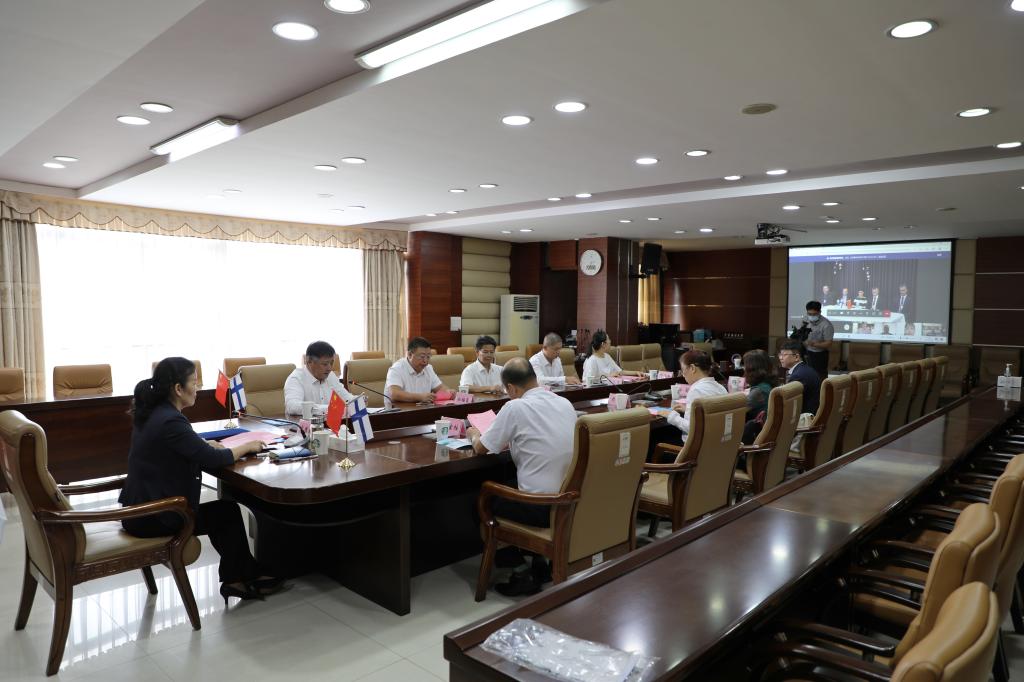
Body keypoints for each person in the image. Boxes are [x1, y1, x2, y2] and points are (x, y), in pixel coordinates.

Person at [119, 358, 283, 603]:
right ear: (178, 388)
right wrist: (248, 446)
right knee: (225, 514)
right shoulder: (171, 420)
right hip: (155, 516)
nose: (197, 388)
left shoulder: (155, 413)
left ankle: (240, 577)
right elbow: (214, 459)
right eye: (194, 382)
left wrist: (204, 445)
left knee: (224, 512)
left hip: (139, 511)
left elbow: (181, 447)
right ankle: (240, 578)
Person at [467, 357, 578, 596]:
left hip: (540, 507)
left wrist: (474, 433)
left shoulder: (515, 407)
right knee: (511, 484)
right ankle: (539, 563)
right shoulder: (564, 403)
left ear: (511, 388)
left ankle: (520, 571)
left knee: (480, 501)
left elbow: (481, 448)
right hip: (569, 501)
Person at [664, 350, 727, 442]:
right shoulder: (721, 388)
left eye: (683, 370)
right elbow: (712, 416)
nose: (683, 375)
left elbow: (692, 428)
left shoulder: (696, 390)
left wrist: (671, 416)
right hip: (717, 443)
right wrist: (688, 410)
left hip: (696, 447)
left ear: (692, 368)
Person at [284, 340, 353, 415]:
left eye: (331, 363)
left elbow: (346, 398)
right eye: (325, 364)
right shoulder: (296, 378)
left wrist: (358, 401)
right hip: (306, 422)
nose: (329, 368)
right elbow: (293, 406)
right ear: (309, 361)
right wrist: (329, 409)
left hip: (330, 421)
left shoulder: (330, 376)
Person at [385, 337, 450, 404]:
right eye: (422, 357)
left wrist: (449, 392)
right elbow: (395, 394)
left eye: (428, 357)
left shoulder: (428, 368)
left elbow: (440, 388)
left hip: (422, 408)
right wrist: (420, 397)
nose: (425, 361)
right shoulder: (396, 369)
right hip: (399, 409)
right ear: (410, 355)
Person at [740, 349, 779, 445]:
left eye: (745, 366)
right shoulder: (768, 384)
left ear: (751, 369)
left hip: (757, 442)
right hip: (770, 438)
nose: (743, 368)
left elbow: (737, 412)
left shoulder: (758, 392)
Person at [778, 341, 819, 415]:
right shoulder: (805, 369)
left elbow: (788, 404)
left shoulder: (798, 376)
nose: (780, 358)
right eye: (780, 354)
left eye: (784, 355)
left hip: (804, 417)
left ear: (796, 357)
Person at [801, 300, 834, 380]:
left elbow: (829, 343)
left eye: (814, 314)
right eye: (809, 314)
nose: (811, 316)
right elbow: (802, 332)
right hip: (806, 352)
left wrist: (814, 344)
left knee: (819, 377)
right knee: (806, 376)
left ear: (819, 312)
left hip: (819, 355)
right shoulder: (805, 319)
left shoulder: (826, 325)